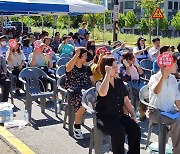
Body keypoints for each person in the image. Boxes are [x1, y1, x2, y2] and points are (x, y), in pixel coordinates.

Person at [96, 55, 141, 154]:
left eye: (117, 66)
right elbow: (102, 93)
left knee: (135, 128)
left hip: (118, 116)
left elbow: (126, 100)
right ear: (106, 69)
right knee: (119, 131)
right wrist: (107, 74)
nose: (117, 69)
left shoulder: (119, 82)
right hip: (105, 118)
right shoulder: (100, 83)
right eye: (114, 67)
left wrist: (133, 115)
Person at [148, 54, 180, 154]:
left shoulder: (173, 79)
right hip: (156, 112)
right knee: (177, 121)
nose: (177, 66)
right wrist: (163, 76)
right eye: (175, 64)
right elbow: (156, 91)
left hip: (170, 111)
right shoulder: (154, 77)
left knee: (177, 119)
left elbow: (177, 99)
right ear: (168, 65)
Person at [65, 48, 94, 139]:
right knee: (83, 101)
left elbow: (92, 81)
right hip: (75, 92)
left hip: (86, 90)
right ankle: (77, 126)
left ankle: (100, 125)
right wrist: (75, 55)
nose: (86, 57)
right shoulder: (71, 67)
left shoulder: (87, 68)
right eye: (84, 55)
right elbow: (68, 68)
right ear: (78, 56)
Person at [119, 51, 146, 120]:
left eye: (133, 58)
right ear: (125, 60)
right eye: (130, 59)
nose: (132, 60)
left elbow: (142, 74)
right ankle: (138, 112)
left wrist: (137, 65)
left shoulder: (135, 66)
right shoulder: (122, 68)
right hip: (129, 87)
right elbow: (126, 77)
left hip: (138, 84)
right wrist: (127, 66)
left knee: (145, 94)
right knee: (142, 94)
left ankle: (141, 111)